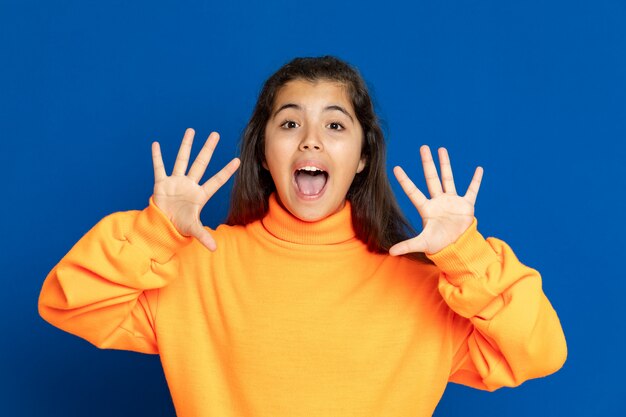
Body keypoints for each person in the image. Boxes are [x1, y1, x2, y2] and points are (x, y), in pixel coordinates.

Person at [38, 56, 567, 417]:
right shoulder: (197, 268)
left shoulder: (424, 289)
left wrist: (464, 255)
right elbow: (69, 301)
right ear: (264, 153)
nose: (311, 139)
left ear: (361, 158)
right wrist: (156, 232)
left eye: (335, 126)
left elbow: (538, 351)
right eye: (289, 124)